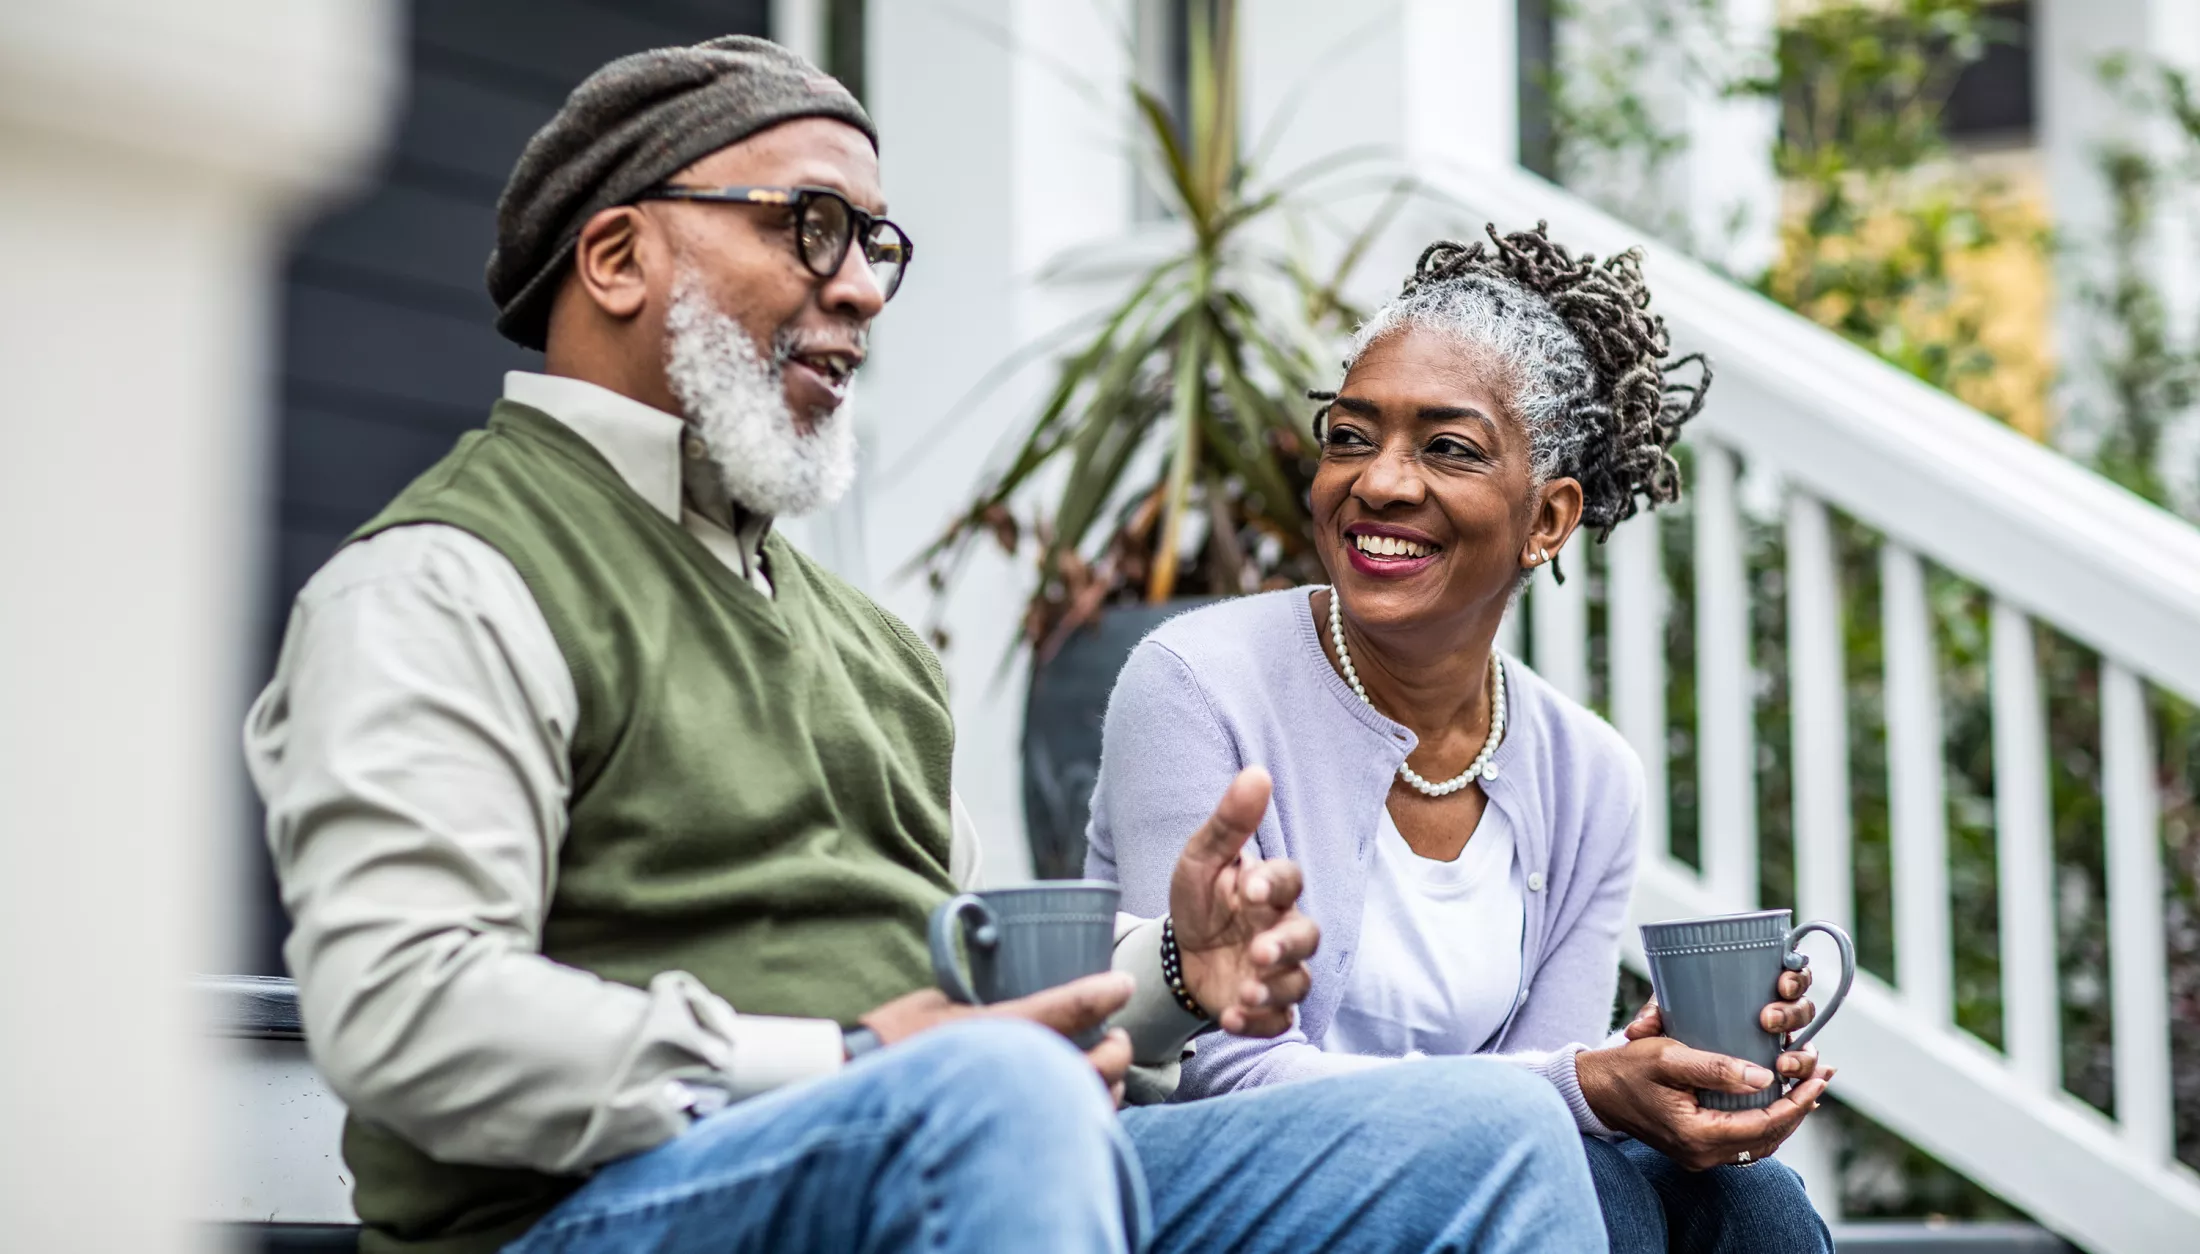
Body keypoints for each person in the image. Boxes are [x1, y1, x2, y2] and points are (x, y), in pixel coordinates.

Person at [246, 38, 1608, 1254]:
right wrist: (848, 1059)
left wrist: (1182, 973)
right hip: (591, 1209)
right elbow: (401, 1011)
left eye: (876, 247)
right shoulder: (452, 578)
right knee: (996, 1101)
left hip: (931, 1153)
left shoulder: (870, 647)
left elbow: (971, 1015)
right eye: (810, 227)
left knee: (1485, 1128)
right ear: (616, 256)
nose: (861, 291)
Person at [1087, 226, 1838, 1254]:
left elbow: (1558, 1110)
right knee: (1543, 1149)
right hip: (1214, 1185)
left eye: (1446, 447)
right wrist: (1578, 1084)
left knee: (1756, 1205)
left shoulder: (1587, 777)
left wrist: (1654, 1079)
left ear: (1547, 519)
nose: (1380, 484)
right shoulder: (1194, 683)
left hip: (1475, 1186)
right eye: (1351, 437)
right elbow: (1218, 1074)